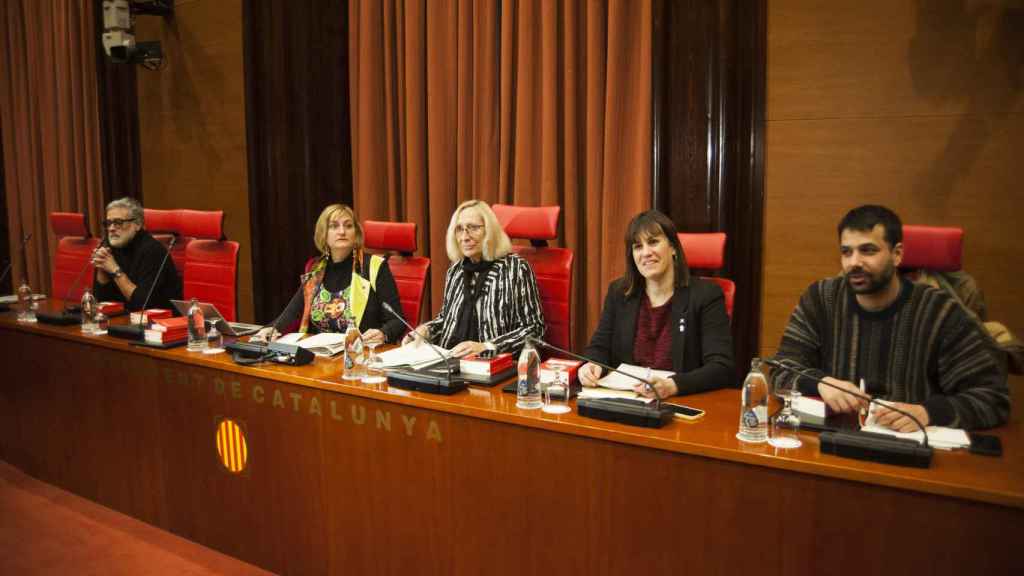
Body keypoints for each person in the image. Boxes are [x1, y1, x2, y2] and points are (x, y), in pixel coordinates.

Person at [772, 205, 1009, 431]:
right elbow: (779, 371)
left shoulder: (940, 312)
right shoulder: (821, 299)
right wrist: (821, 383)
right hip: (835, 442)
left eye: (868, 250)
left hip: (911, 450)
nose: (854, 262)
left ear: (897, 255)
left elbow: (992, 398)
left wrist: (928, 412)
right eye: (847, 252)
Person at [579, 210, 735, 399]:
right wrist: (591, 365)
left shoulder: (706, 295)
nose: (646, 253)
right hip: (627, 401)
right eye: (638, 246)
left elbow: (721, 367)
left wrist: (672, 386)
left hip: (680, 404)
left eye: (653, 242)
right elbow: (599, 348)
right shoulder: (619, 293)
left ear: (673, 248)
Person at [404, 199, 544, 357]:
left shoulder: (515, 269)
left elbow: (534, 328)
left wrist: (487, 346)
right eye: (459, 229)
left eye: (473, 228)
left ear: (489, 231)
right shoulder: (456, 270)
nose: (464, 237)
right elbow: (446, 319)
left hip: (496, 364)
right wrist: (426, 331)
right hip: (451, 359)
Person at [254, 204, 405, 346]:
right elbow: (292, 312)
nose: (342, 231)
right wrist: (270, 329)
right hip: (319, 357)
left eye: (348, 226)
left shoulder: (374, 266)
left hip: (359, 355)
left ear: (356, 234)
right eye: (334, 226)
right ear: (323, 234)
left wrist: (383, 333)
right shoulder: (316, 270)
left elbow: (397, 322)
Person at [91, 197, 181, 311]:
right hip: (122, 319)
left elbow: (142, 305)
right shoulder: (108, 246)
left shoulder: (153, 251)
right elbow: (101, 303)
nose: (111, 228)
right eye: (108, 223)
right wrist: (101, 269)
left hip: (158, 321)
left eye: (118, 222)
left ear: (137, 224)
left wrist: (115, 270)